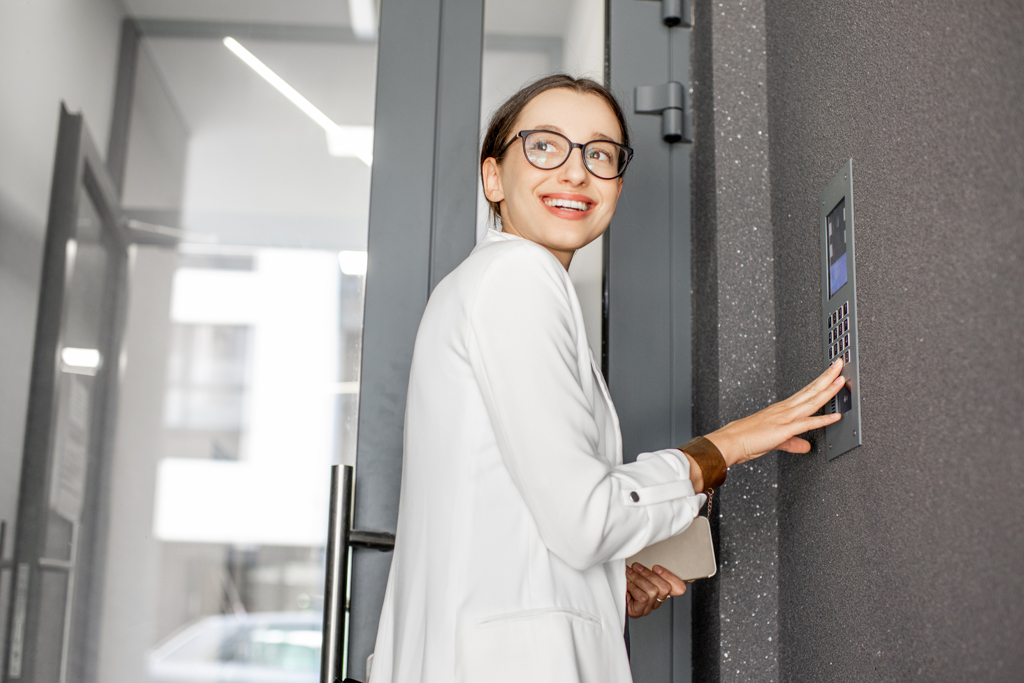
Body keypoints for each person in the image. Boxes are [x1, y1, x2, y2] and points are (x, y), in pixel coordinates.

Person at [367, 75, 845, 683]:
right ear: (493, 178)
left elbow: (507, 510)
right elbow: (584, 518)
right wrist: (723, 448)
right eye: (544, 146)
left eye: (599, 154)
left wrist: (596, 587)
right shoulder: (517, 277)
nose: (574, 173)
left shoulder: (486, 285)